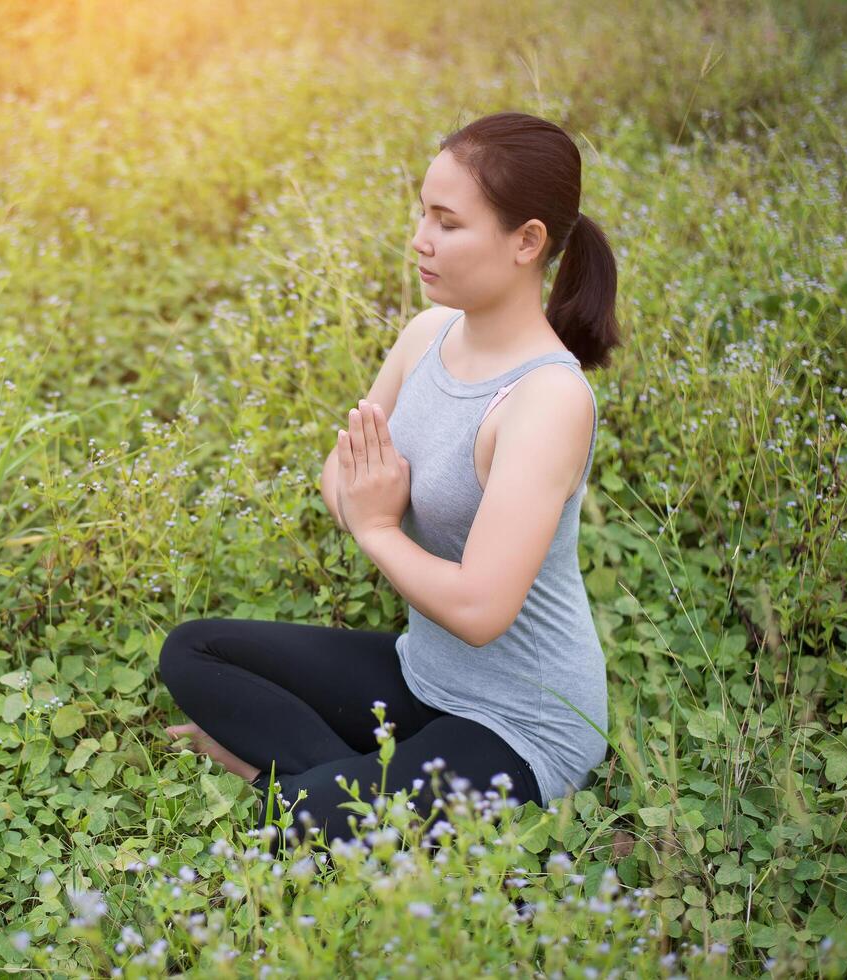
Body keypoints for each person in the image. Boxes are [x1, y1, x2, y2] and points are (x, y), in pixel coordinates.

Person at [158, 110, 622, 854]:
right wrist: (361, 506)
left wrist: (375, 525)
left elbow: (478, 609)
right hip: (422, 675)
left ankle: (292, 785)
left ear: (526, 241)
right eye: (421, 213)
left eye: (447, 221)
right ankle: (342, 786)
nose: (419, 239)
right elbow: (335, 480)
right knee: (192, 651)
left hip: (520, 722)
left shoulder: (546, 401)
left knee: (306, 822)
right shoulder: (425, 334)